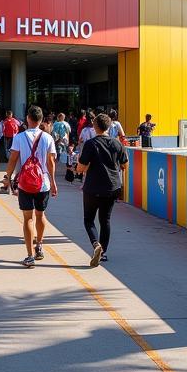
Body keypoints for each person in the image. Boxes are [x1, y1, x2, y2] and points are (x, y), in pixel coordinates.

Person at [1, 106, 58, 267]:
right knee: (40, 215)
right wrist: (53, 182)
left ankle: (29, 255)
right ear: (41, 120)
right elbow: (51, 162)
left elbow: (13, 159)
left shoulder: (19, 137)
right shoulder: (48, 138)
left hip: (25, 183)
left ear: (28, 119)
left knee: (28, 218)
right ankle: (39, 245)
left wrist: (8, 176)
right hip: (43, 183)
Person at [75, 113, 129, 267]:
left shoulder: (91, 144)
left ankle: (95, 244)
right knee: (105, 220)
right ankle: (103, 253)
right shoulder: (118, 144)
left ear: (95, 126)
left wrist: (78, 167)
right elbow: (125, 165)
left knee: (88, 219)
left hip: (93, 187)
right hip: (112, 187)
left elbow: (81, 168)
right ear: (109, 126)